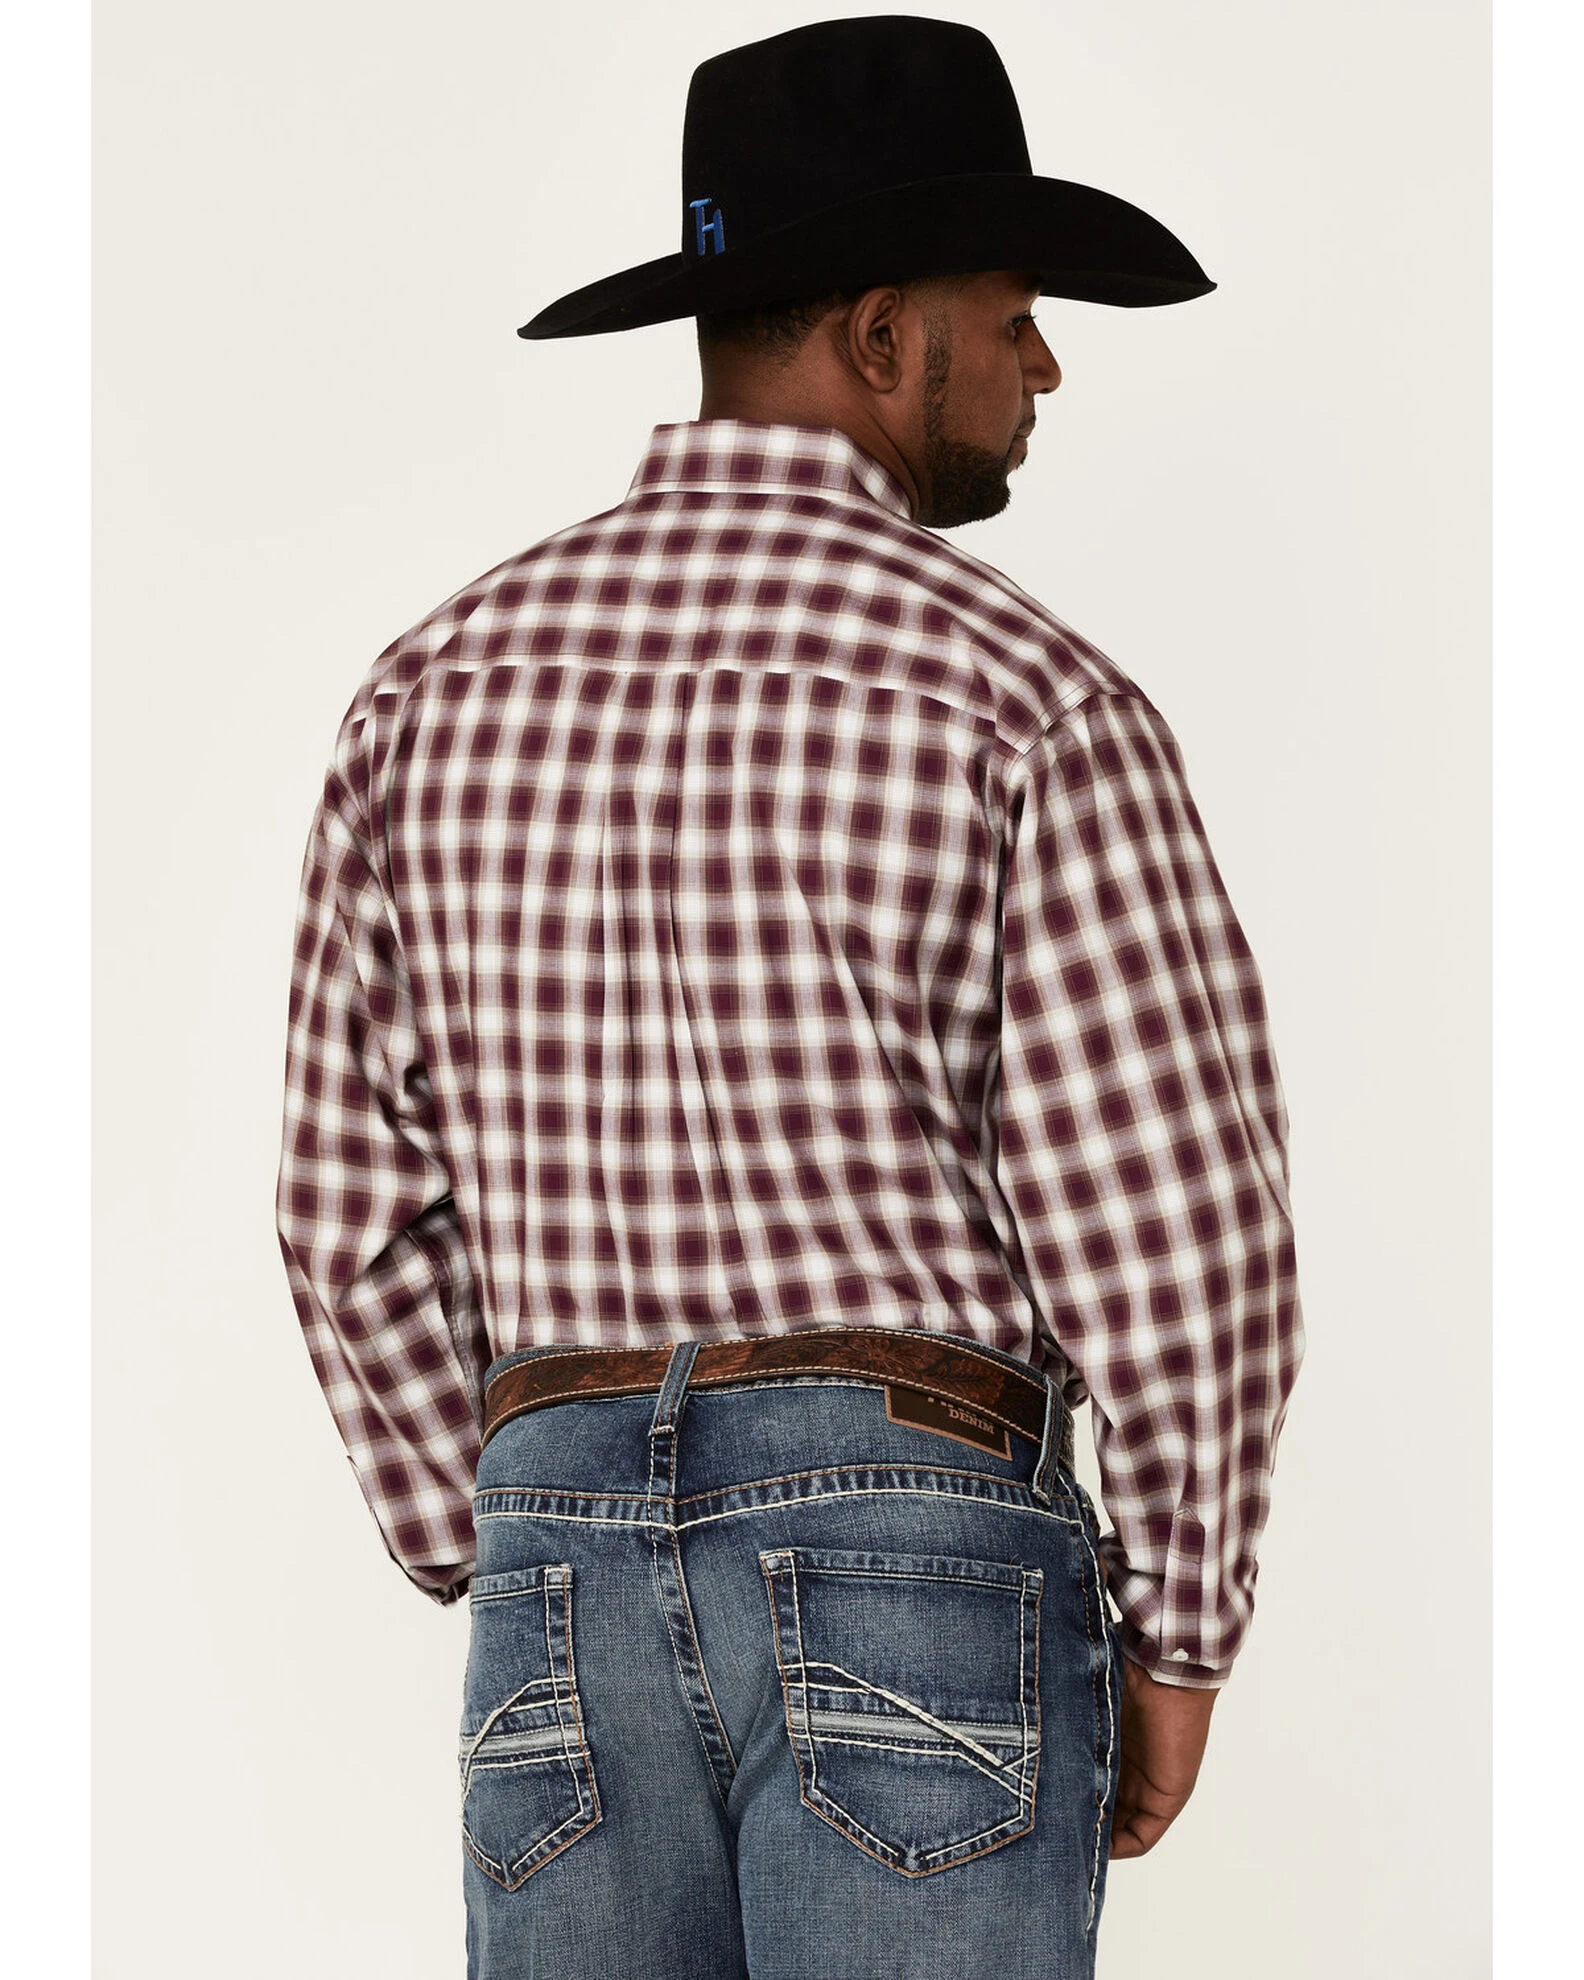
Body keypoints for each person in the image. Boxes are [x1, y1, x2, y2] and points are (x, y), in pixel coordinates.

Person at [275, 17, 1304, 1978]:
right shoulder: (1024, 700)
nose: (1045, 366)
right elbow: (1178, 1242)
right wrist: (1180, 1634)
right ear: (884, 335)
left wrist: (507, 1528)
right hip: (921, 1556)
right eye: (1016, 317)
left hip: (558, 1559)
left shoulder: (428, 692)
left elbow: (346, 1214)